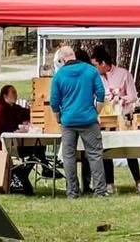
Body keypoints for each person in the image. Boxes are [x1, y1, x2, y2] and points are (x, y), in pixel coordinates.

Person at [50, 44, 107, 199]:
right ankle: (100, 191)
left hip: (68, 121)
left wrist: (59, 119)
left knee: (69, 157)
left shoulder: (59, 76)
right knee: (95, 155)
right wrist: (96, 111)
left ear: (62, 59)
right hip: (89, 120)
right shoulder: (90, 71)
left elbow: (54, 103)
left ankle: (72, 192)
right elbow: (101, 94)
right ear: (73, 55)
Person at [91, 45, 140, 194]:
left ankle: (138, 182)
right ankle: (110, 183)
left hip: (123, 118)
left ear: (103, 63)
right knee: (107, 151)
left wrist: (120, 98)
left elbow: (133, 96)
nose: (95, 68)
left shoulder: (123, 74)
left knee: (129, 151)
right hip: (105, 120)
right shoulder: (96, 78)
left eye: (96, 65)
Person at [0, 85, 29, 149]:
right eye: (13, 93)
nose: (16, 95)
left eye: (16, 93)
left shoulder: (11, 106)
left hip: (10, 140)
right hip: (2, 144)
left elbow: (23, 112)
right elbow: (11, 126)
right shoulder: (1, 109)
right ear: (5, 96)